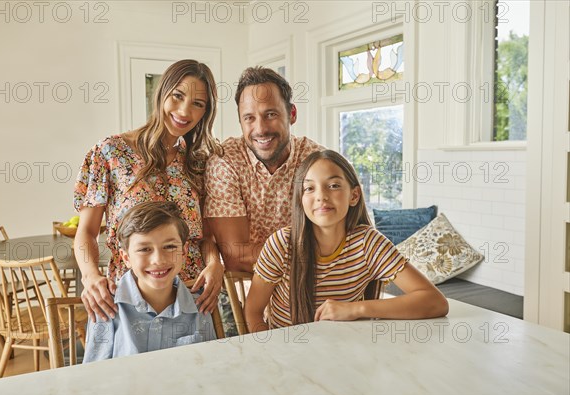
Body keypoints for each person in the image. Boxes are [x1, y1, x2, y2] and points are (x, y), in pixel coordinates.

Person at [74, 60, 224, 323]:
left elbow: (206, 237)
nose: (184, 110)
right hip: (130, 298)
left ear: (205, 113)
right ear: (162, 93)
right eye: (178, 96)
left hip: (191, 297)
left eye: (198, 104)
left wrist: (214, 264)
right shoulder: (111, 152)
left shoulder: (199, 162)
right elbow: (86, 232)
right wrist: (90, 276)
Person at [245, 150, 449, 331]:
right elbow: (253, 312)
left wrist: (355, 309)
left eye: (333, 185)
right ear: (300, 199)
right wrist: (268, 353)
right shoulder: (282, 244)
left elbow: (435, 301)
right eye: (309, 188)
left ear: (354, 195)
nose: (321, 196)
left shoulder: (368, 243)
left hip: (345, 353)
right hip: (288, 357)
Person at [204, 66, 323, 273]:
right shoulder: (225, 162)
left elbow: (341, 238)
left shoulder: (315, 160)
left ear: (292, 113)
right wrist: (310, 257)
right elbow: (236, 256)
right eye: (249, 118)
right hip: (252, 293)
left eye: (270, 114)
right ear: (240, 121)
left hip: (319, 288)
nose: (260, 129)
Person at [83, 201, 216, 362]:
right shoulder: (106, 306)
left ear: (184, 251)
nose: (158, 260)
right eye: (144, 249)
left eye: (169, 247)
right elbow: (94, 377)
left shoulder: (201, 305)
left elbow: (210, 369)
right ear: (126, 258)